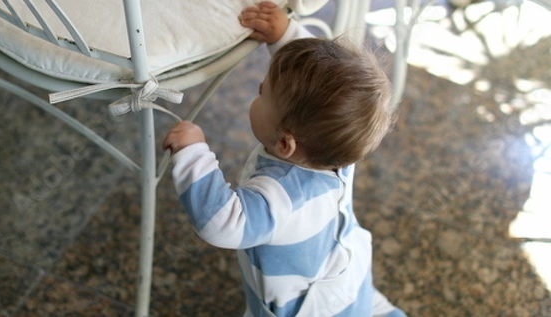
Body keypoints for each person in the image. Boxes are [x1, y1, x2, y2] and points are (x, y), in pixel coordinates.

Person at [162, 2, 406, 316]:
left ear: (284, 143)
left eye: (264, 94)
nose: (261, 86)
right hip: (345, 267)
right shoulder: (338, 144)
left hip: (307, 306)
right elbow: (319, 83)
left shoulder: (280, 197)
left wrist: (193, 153)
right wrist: (285, 36)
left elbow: (222, 222)